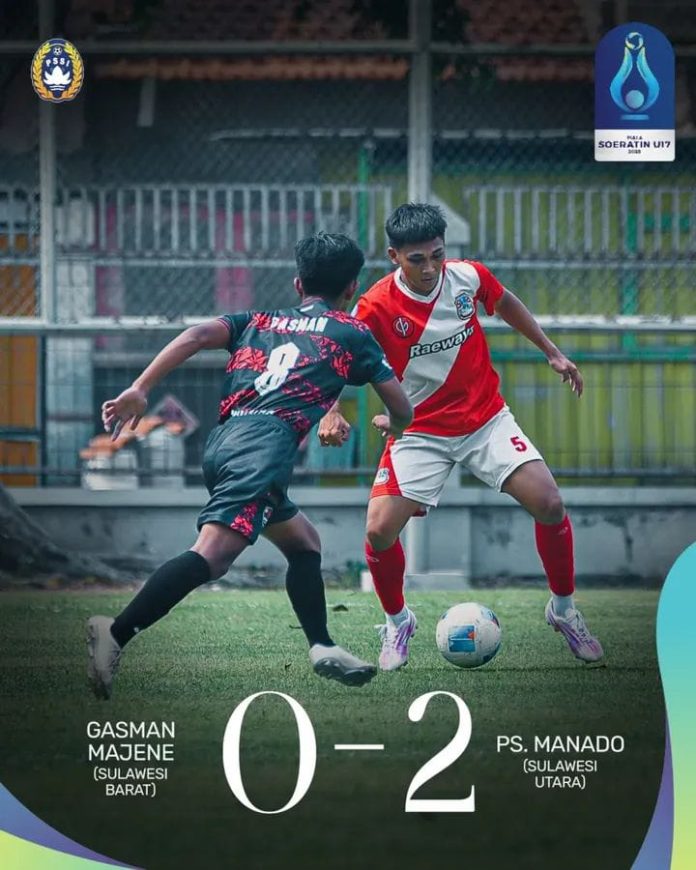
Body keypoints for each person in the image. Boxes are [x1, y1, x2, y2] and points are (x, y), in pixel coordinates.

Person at [87, 232, 413, 698]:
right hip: (262, 452)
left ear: (298, 284)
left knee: (303, 542)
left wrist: (140, 388)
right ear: (352, 288)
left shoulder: (258, 320)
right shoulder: (352, 332)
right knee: (212, 556)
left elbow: (196, 335)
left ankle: (322, 645)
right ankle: (115, 633)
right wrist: (393, 424)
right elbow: (401, 407)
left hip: (224, 442)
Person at [318, 203, 603, 670]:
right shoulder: (374, 306)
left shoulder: (467, 277)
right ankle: (397, 622)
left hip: (485, 421)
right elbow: (339, 357)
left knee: (550, 503)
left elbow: (505, 301)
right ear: (394, 256)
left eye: (437, 255)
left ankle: (564, 610)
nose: (430, 268)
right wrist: (331, 411)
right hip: (418, 430)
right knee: (378, 531)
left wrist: (551, 351)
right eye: (417, 259)